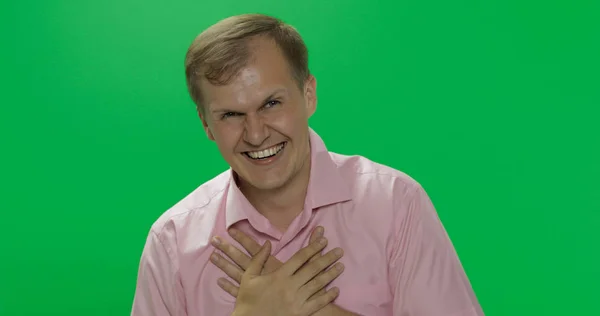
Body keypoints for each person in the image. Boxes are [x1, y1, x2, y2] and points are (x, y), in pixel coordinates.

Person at [131, 13, 485, 316]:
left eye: (271, 103)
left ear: (309, 94)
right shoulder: (171, 242)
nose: (255, 134)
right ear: (206, 123)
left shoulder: (396, 204)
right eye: (231, 115)